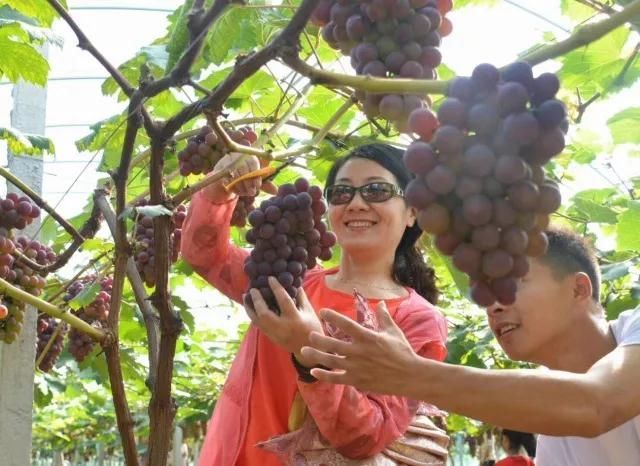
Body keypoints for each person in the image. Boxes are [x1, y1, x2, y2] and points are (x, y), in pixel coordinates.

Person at [181, 143, 449, 465]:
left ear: (412, 212)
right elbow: (205, 254)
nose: (356, 203)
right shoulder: (290, 281)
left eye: (376, 190)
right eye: (341, 193)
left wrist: (307, 349)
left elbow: (367, 436)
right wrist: (222, 183)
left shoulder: (418, 319)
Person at [300, 228, 640, 466]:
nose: (493, 306)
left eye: (511, 284)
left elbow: (598, 405)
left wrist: (412, 375)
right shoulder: (552, 425)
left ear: (579, 289)